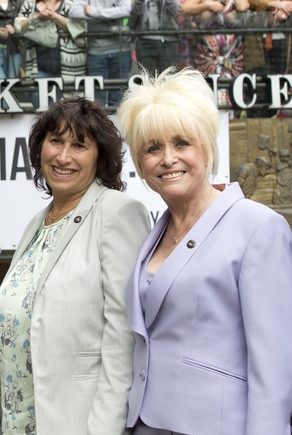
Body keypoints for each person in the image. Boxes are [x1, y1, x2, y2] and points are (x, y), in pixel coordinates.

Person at [0, 97, 150, 434]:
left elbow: (123, 342)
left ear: (100, 156)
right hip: (17, 421)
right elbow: (19, 312)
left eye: (79, 145)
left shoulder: (117, 213)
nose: (63, 156)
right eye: (55, 141)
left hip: (75, 422)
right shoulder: (37, 224)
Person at [118, 67, 292, 435]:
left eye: (182, 143)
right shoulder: (155, 232)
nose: (167, 158)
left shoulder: (258, 227)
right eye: (153, 148)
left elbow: (274, 369)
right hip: (144, 425)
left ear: (208, 148)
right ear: (139, 163)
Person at [14, 0, 86, 106]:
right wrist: (37, 17)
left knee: (71, 111)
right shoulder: (30, 1)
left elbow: (81, 27)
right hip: (38, 68)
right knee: (41, 112)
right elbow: (19, 27)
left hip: (69, 66)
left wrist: (54, 16)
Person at [182, 0, 248, 106]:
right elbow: (185, 8)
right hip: (206, 57)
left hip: (233, 58)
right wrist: (206, 6)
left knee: (231, 97)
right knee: (208, 95)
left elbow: (243, 6)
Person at [68, 0, 131, 106]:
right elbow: (74, 12)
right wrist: (112, 13)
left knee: (119, 97)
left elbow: (126, 10)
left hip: (120, 49)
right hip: (96, 51)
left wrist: (93, 11)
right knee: (97, 99)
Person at [130, 0, 181, 75]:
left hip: (168, 41)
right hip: (144, 42)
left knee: (168, 79)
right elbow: (135, 11)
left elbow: (174, 10)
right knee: (148, 80)